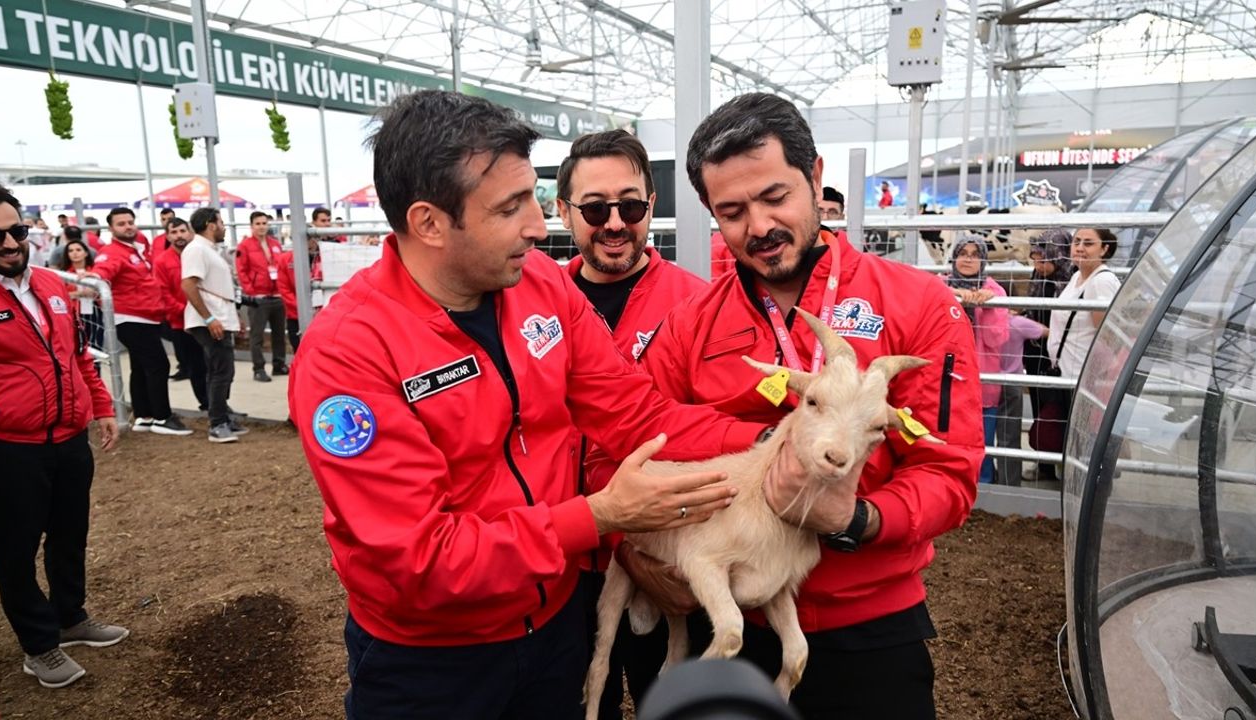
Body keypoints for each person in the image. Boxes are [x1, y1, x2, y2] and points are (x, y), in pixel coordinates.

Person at [288, 89, 771, 720]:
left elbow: (634, 415)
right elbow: (421, 558)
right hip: (432, 662)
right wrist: (594, 517)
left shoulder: (539, 285)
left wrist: (768, 444)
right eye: (511, 207)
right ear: (429, 222)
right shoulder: (348, 355)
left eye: (535, 200)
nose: (539, 226)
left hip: (554, 629)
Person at [622, 93, 981, 720]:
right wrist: (638, 554)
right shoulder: (690, 327)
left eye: (774, 197)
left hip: (869, 627)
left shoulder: (919, 305)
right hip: (732, 621)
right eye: (731, 211)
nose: (758, 226)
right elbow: (632, 440)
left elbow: (949, 474)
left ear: (815, 178)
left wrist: (859, 519)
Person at [556, 129, 708, 718]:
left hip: (659, 560)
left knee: (667, 705)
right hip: (560, 561)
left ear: (651, 206)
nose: (614, 222)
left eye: (631, 205)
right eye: (595, 208)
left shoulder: (695, 306)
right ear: (564, 212)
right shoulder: (529, 306)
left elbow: (706, 437)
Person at [0, 184, 127, 689]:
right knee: (16, 546)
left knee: (70, 532)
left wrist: (102, 407)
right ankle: (39, 645)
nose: (9, 243)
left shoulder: (50, 282)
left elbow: (75, 354)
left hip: (69, 438)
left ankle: (71, 617)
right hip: (9, 447)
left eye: (17, 231)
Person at [90, 207, 191, 436]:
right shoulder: (113, 252)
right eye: (121, 224)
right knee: (158, 365)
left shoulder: (136, 249)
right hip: (131, 317)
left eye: (130, 222)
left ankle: (144, 415)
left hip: (145, 316)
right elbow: (103, 269)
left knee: (141, 366)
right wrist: (94, 279)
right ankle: (162, 417)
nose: (128, 226)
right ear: (111, 228)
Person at [1044, 227, 1121, 457]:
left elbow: (1107, 335)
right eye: (1077, 242)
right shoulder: (1078, 276)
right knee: (1071, 437)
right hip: (1068, 372)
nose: (1079, 248)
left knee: (1083, 439)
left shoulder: (1101, 281)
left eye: (1088, 243)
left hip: (1084, 377)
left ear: (1105, 249)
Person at [943, 234, 1008, 485]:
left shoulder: (994, 291)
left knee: (981, 444)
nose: (968, 259)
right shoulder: (941, 285)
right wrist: (955, 295)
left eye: (975, 254)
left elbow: (997, 340)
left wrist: (988, 306)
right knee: (947, 440)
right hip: (947, 379)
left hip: (983, 384)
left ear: (983, 260)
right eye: (962, 253)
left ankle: (982, 494)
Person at [182, 208, 247, 444]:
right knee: (222, 371)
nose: (224, 226)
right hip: (211, 319)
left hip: (219, 316)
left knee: (219, 371)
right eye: (220, 222)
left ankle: (222, 416)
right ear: (211, 224)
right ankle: (218, 422)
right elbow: (188, 285)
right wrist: (209, 318)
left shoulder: (206, 249)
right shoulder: (197, 249)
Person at [1022, 230, 1073, 483]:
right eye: (1035, 259)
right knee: (1041, 410)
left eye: (1044, 260)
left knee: (1063, 409)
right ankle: (1044, 462)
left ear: (1059, 255)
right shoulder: (1038, 278)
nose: (1038, 266)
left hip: (1063, 359)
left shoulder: (1072, 282)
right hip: (1036, 356)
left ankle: (1065, 465)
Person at [154, 218, 209, 412]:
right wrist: (186, 310)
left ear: (190, 232)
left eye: (182, 231)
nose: (179, 235)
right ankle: (206, 403)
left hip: (207, 320)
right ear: (168, 236)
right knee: (196, 366)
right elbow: (163, 293)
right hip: (181, 323)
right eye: (174, 232)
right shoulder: (162, 261)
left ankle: (220, 403)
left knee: (214, 364)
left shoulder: (199, 254)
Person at [235, 211, 289, 382]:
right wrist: (251, 291)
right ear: (252, 226)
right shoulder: (244, 246)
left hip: (277, 295)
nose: (262, 227)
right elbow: (241, 270)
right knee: (257, 335)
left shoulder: (275, 244)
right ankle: (258, 368)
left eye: (264, 223)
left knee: (279, 333)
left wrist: (281, 287)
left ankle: (279, 364)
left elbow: (280, 267)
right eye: (258, 223)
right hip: (258, 297)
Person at [995, 311, 1047, 486]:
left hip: (987, 382)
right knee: (1009, 437)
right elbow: (1047, 332)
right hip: (1012, 384)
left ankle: (984, 478)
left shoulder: (984, 320)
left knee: (984, 435)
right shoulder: (1017, 323)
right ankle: (1009, 483)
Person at [60, 233, 105, 362]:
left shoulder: (96, 272)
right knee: (79, 350)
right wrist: (78, 294)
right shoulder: (64, 275)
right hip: (74, 316)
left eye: (78, 250)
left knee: (97, 349)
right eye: (71, 250)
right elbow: (60, 297)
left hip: (95, 314)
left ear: (86, 253)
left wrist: (96, 292)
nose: (75, 253)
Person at [274, 231, 322, 352]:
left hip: (321, 315)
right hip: (296, 315)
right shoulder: (286, 260)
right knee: (299, 348)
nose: (311, 243)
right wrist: (302, 308)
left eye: (314, 239)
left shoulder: (324, 259)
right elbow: (283, 288)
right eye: (308, 239)